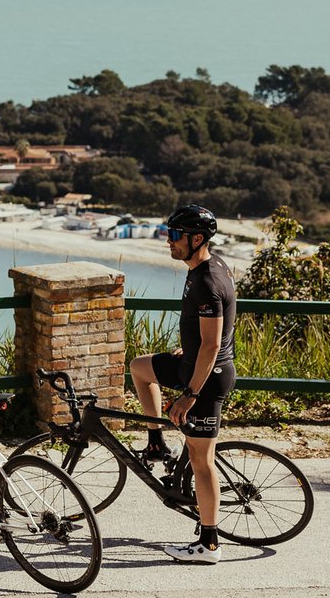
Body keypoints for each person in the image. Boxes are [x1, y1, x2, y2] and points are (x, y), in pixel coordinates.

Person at [127, 203, 236, 565]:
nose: (168, 242)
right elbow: (207, 335)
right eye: (169, 234)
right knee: (140, 368)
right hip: (193, 363)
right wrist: (187, 349)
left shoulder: (207, 282)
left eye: (175, 236)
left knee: (201, 460)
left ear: (196, 239)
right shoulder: (205, 266)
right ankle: (157, 443)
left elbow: (212, 344)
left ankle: (209, 543)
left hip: (206, 379)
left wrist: (189, 395)